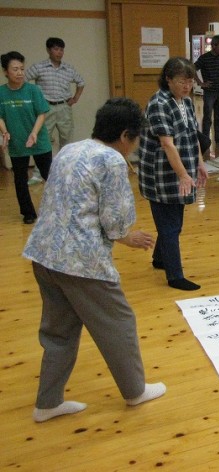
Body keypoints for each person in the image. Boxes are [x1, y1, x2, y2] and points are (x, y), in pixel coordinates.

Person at [22, 98, 166, 422]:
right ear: (126, 135)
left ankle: (47, 403)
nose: (134, 147)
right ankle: (135, 390)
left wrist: (118, 234)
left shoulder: (70, 149)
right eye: (136, 140)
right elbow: (116, 218)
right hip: (79, 260)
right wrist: (126, 236)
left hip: (43, 253)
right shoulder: (112, 159)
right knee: (119, 322)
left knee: (59, 330)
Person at [138, 57, 208, 291]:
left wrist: (199, 163)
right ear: (168, 80)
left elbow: (192, 135)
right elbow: (167, 144)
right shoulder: (159, 103)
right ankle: (174, 275)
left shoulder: (186, 101)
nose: (187, 86)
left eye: (190, 81)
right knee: (170, 225)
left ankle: (160, 258)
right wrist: (182, 175)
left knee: (173, 221)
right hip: (161, 172)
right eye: (181, 81)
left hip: (182, 166)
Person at [0, 51, 52, 224]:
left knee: (50, 176)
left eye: (22, 68)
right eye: (15, 69)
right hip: (17, 142)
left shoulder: (33, 90)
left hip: (39, 140)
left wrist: (34, 133)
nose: (20, 72)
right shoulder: (1, 93)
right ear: (6, 72)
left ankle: (57, 208)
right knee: (20, 179)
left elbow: (42, 113)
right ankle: (28, 213)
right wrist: (4, 132)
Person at [25, 37, 85, 184]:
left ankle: (65, 171)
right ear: (48, 50)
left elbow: (81, 82)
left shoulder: (68, 69)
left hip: (64, 106)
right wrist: (36, 100)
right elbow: (24, 80)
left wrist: (75, 98)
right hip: (46, 108)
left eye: (61, 49)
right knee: (43, 140)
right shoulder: (39, 67)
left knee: (67, 140)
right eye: (56, 49)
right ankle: (39, 174)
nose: (59, 52)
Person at [194, 35, 219, 147]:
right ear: (213, 46)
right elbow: (192, 69)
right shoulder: (204, 58)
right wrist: (201, 83)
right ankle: (205, 139)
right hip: (209, 92)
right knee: (208, 116)